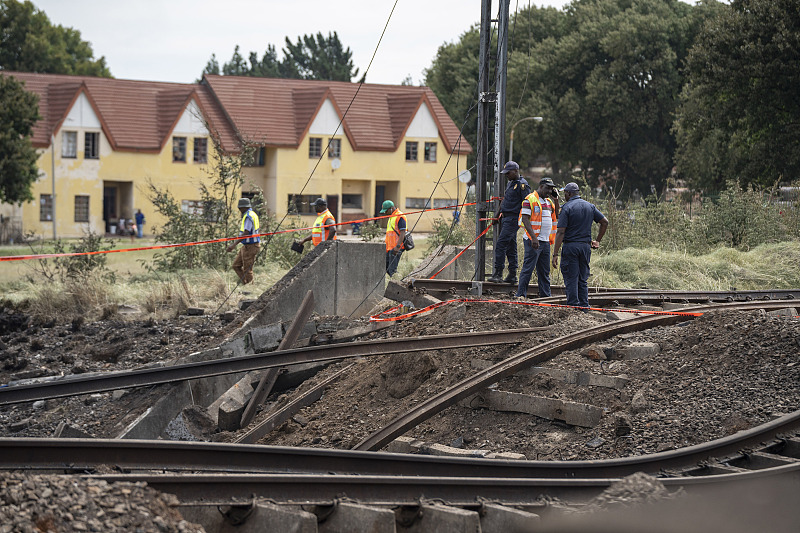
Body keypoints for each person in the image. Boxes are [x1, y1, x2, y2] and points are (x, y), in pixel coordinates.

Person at [551, 182, 609, 311]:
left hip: (571, 247)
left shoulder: (567, 208)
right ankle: (584, 306)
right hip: (585, 247)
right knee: (582, 278)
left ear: (569, 193)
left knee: (571, 277)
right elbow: (605, 222)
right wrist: (597, 241)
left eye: (565, 193)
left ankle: (573, 306)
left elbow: (560, 231)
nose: (564, 196)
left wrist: (555, 254)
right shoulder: (590, 206)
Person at [488, 161, 530, 284]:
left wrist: (524, 221)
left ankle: (498, 273)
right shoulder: (510, 183)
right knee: (510, 247)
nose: (506, 175)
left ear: (516, 171)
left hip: (513, 219)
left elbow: (527, 204)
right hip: (505, 218)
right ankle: (512, 275)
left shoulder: (523, 186)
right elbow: (505, 199)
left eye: (508, 173)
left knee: (500, 244)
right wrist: (497, 215)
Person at [516, 177, 558, 298]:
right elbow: (524, 219)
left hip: (545, 241)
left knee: (544, 271)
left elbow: (557, 215)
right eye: (547, 188)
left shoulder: (549, 202)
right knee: (528, 269)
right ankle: (520, 295)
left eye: (551, 189)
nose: (549, 191)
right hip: (533, 240)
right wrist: (534, 238)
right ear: (540, 187)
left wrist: (556, 200)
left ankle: (545, 296)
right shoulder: (529, 199)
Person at [226, 198, 260, 284]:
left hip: (251, 246)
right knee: (236, 266)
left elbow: (246, 232)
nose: (239, 210)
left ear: (244, 207)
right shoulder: (252, 214)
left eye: (240, 208)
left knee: (247, 269)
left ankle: (250, 288)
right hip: (246, 245)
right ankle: (245, 283)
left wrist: (233, 245)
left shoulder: (248, 216)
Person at [380, 199, 406, 276]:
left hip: (395, 248)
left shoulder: (399, 216)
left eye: (386, 211)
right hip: (389, 248)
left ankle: (395, 283)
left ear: (391, 208)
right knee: (386, 269)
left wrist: (397, 247)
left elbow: (403, 232)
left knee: (392, 271)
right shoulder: (392, 217)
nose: (385, 213)